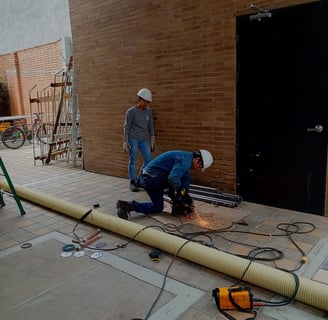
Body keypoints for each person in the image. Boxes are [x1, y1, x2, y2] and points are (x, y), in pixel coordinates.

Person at [116, 149, 213, 220]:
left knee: (185, 177)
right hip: (151, 180)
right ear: (197, 160)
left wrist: (185, 195)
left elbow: (181, 179)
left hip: (148, 177)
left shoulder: (185, 157)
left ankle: (126, 205)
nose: (198, 168)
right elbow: (172, 178)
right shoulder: (186, 161)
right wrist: (180, 193)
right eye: (200, 166)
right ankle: (178, 206)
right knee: (176, 186)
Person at [123, 88, 156, 192]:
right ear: (140, 100)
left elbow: (151, 126)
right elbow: (127, 127)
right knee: (133, 160)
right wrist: (125, 141)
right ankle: (132, 182)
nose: (147, 104)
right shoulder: (131, 112)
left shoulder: (149, 112)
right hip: (133, 138)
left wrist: (152, 139)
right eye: (145, 101)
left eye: (148, 102)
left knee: (148, 160)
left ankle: (139, 180)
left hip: (144, 139)